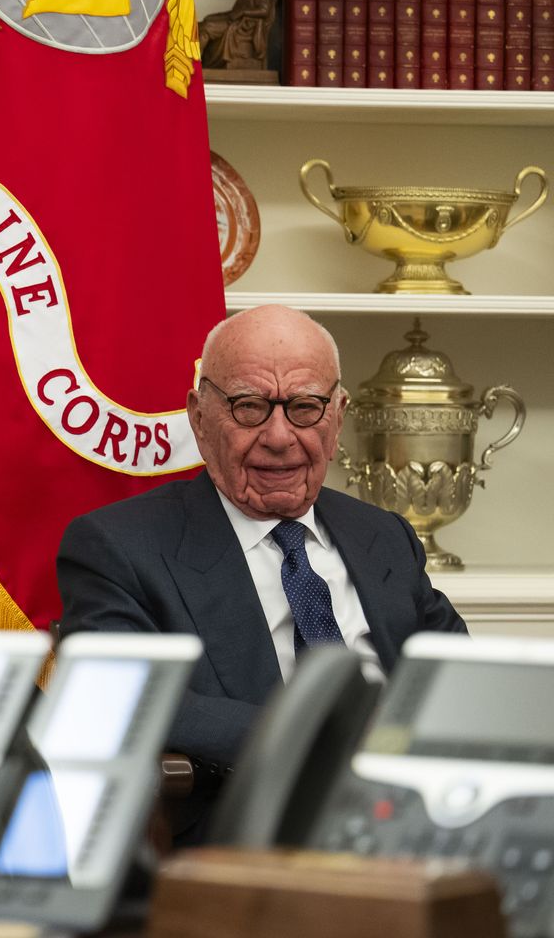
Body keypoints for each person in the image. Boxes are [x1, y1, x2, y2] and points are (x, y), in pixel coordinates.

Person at [58, 306, 465, 791]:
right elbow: (121, 696)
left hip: (414, 810)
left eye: (305, 407)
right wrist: (328, 739)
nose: (278, 437)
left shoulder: (384, 537)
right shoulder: (120, 547)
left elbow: (457, 678)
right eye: (249, 407)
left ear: (337, 419)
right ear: (200, 418)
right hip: (249, 826)